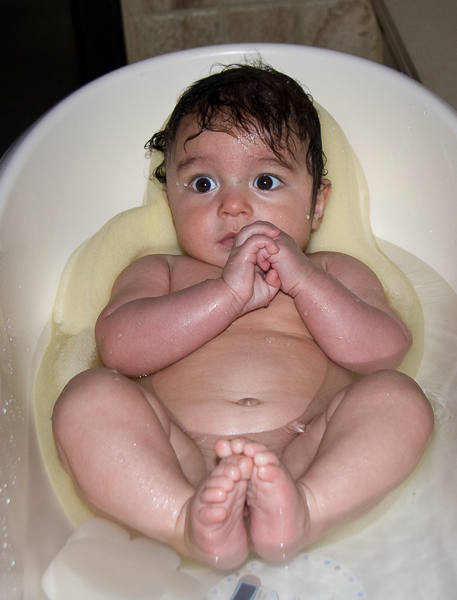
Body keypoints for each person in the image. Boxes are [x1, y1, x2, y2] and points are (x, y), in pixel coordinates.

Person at [52, 63, 434, 571]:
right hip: (175, 449)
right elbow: (119, 348)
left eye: (265, 180)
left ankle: (308, 508)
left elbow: (384, 350)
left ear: (316, 206)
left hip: (309, 447)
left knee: (399, 398)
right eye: (204, 183)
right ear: (170, 201)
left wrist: (306, 282)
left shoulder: (333, 269)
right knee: (86, 399)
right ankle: (182, 518)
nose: (233, 205)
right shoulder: (161, 271)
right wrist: (225, 295)